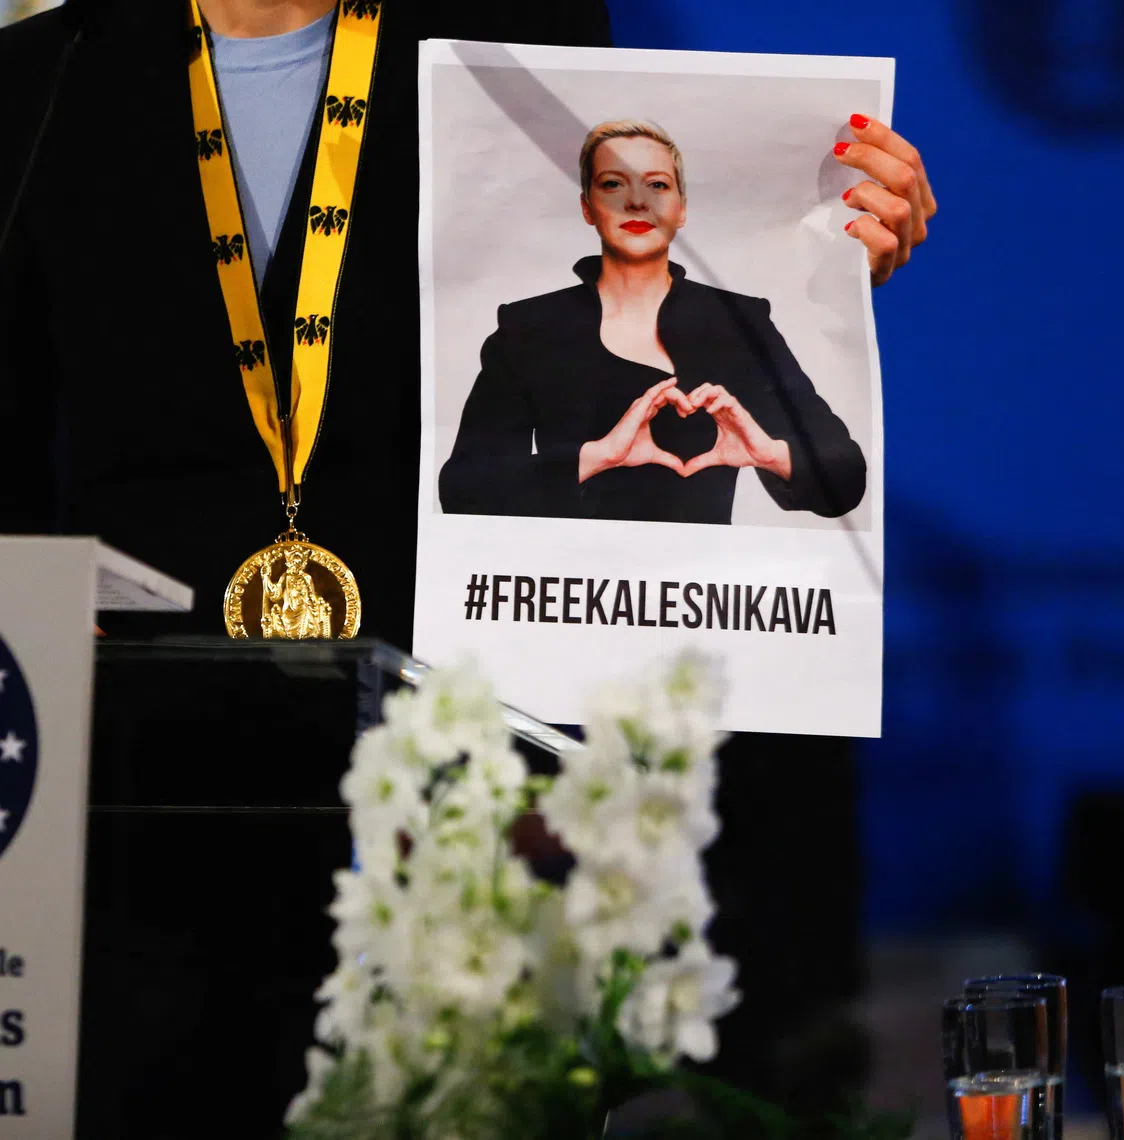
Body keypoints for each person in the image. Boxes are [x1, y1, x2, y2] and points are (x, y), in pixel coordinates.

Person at [0, 0, 937, 1133]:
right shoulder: (46, 78)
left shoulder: (512, 46)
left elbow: (688, 313)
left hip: (462, 813)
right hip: (132, 832)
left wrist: (825, 260)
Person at [439, 119, 866, 524]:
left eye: (657, 185)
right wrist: (598, 456)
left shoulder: (740, 321)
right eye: (613, 184)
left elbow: (845, 479)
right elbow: (462, 490)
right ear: (588, 207)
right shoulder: (528, 327)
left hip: (702, 592)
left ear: (681, 209)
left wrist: (772, 454)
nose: (638, 201)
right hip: (567, 588)